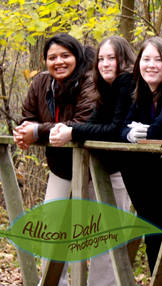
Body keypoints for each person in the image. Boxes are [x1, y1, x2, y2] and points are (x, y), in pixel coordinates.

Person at [48, 35, 134, 285]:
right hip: (103, 169)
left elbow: (114, 129)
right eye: (101, 59)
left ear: (124, 60)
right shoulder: (106, 86)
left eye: (112, 58)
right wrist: (65, 129)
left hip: (124, 170)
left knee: (109, 240)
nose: (105, 63)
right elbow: (95, 123)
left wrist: (72, 132)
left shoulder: (127, 82)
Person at [13, 33, 96, 285]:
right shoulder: (40, 84)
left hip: (96, 171)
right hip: (61, 169)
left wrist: (37, 131)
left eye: (65, 56)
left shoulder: (90, 81)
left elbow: (81, 123)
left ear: (77, 57)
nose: (58, 62)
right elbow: (25, 119)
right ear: (45, 60)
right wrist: (24, 132)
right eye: (52, 57)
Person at [120, 37, 162, 284]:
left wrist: (143, 132)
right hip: (149, 191)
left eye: (158, 59)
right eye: (146, 59)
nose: (151, 65)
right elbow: (122, 126)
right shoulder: (141, 94)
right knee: (156, 245)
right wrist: (128, 133)